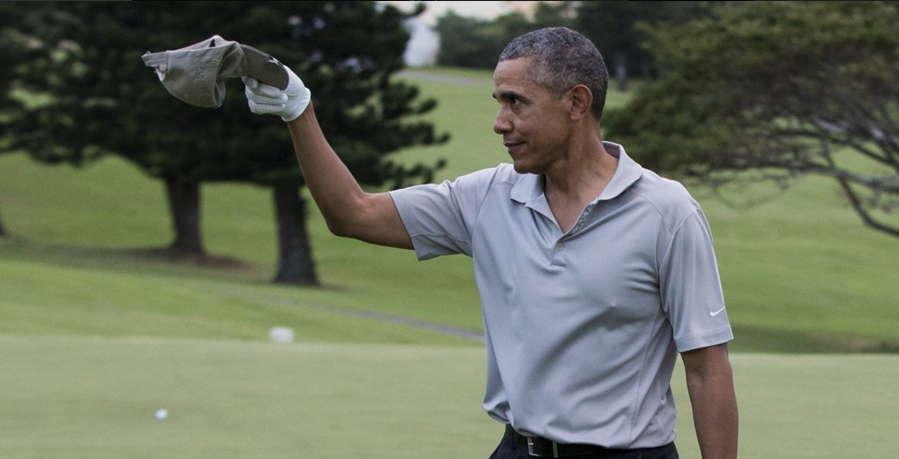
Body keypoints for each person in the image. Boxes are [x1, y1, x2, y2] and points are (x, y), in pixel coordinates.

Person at [243, 27, 737, 459]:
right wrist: (299, 110)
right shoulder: (486, 197)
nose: (500, 122)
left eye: (516, 102)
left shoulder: (666, 213)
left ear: (576, 103)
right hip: (516, 449)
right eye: (499, 102)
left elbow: (706, 369)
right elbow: (352, 213)